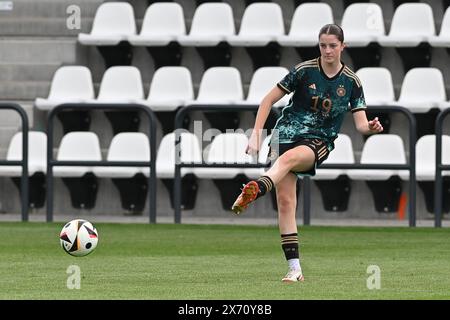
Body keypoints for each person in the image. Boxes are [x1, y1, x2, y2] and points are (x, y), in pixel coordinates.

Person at [231, 24, 384, 283]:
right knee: (286, 203)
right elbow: (267, 100)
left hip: (318, 141)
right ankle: (295, 269)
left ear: (342, 47)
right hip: (284, 134)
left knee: (287, 160)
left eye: (332, 45)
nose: (327, 50)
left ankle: (256, 186)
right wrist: (257, 134)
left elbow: (360, 124)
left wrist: (371, 128)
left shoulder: (351, 82)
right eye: (323, 45)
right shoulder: (304, 71)